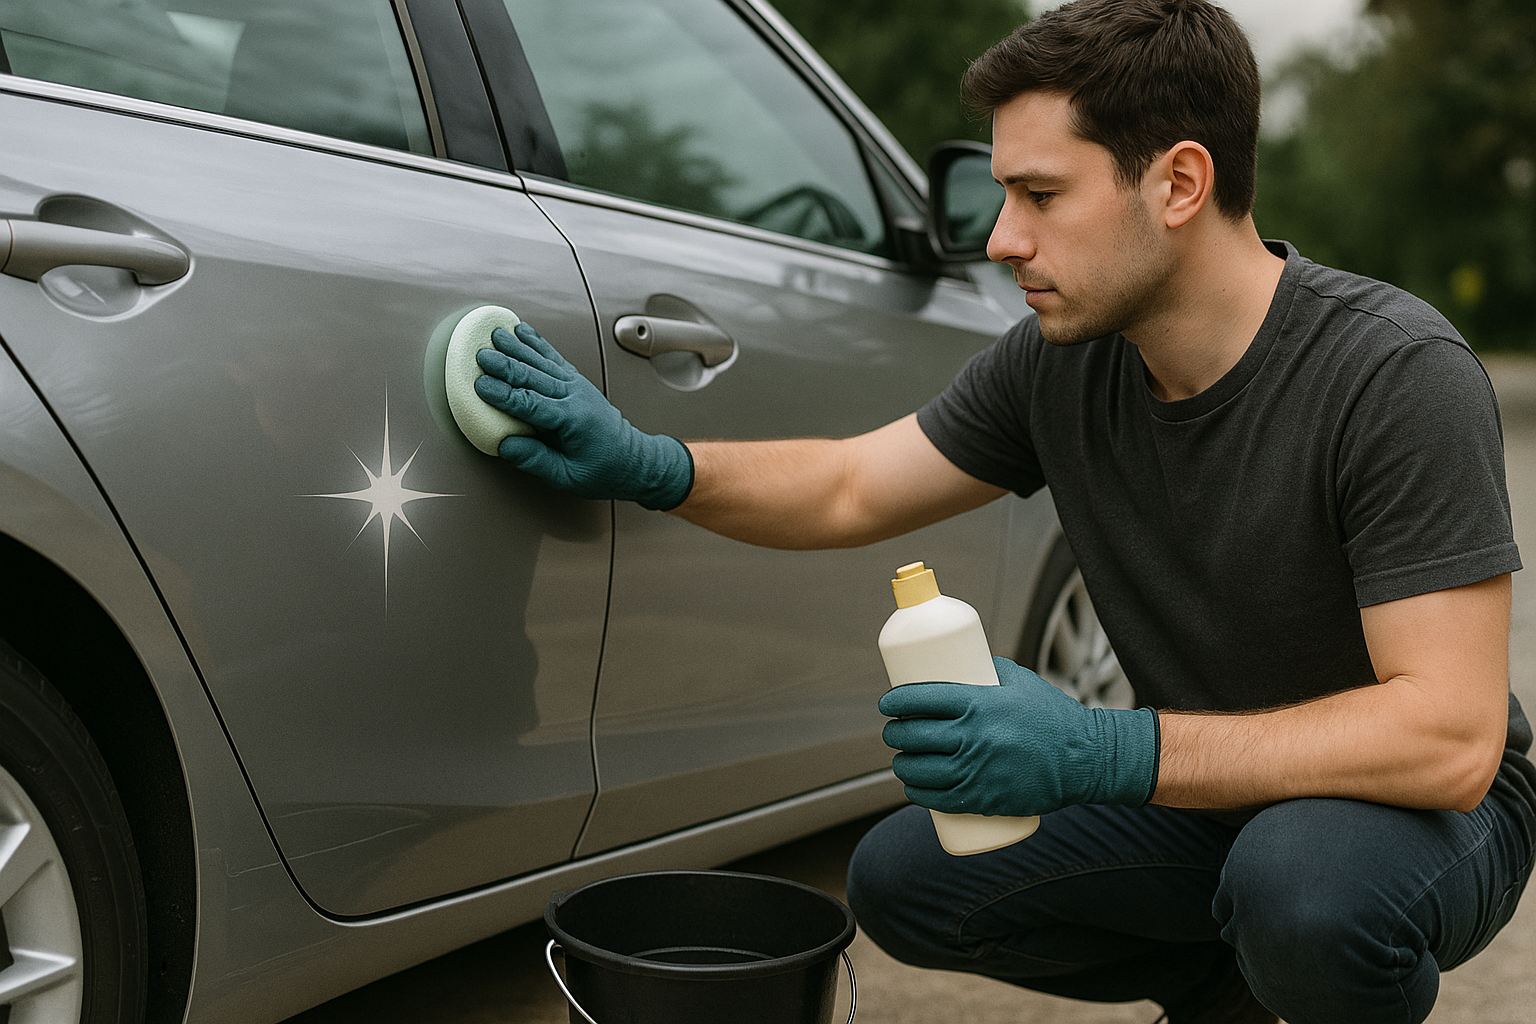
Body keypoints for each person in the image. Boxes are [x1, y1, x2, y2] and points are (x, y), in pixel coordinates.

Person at [471, 1, 1536, 1020]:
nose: (1001, 240)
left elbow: (1446, 741)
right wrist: (653, 463)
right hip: (1215, 805)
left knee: (1304, 892)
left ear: (1178, 182)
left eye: (1041, 195)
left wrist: (1102, 751)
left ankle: (1308, 974)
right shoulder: (1060, 367)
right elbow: (851, 485)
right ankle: (1229, 998)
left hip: (1421, 819)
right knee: (908, 876)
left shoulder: (1393, 373)